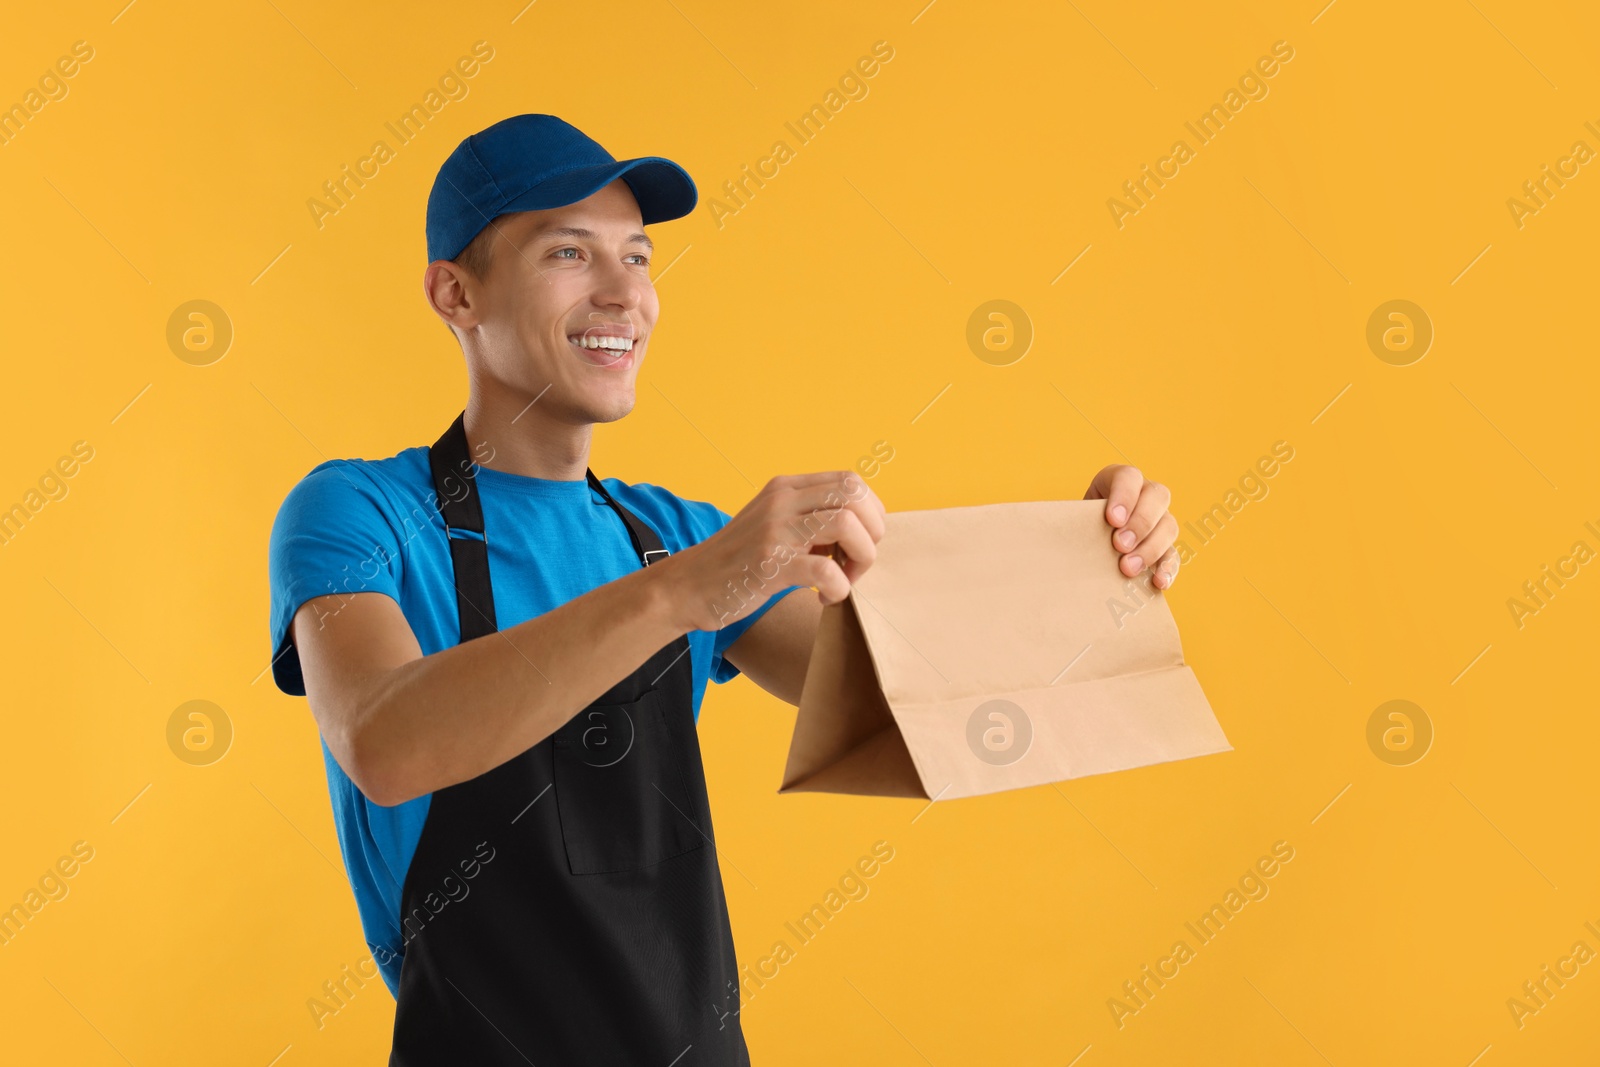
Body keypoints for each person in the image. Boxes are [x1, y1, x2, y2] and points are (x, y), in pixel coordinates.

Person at [266, 113, 1181, 1065]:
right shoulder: (356, 511)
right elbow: (384, 739)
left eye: (640, 257)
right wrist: (681, 594)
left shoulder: (672, 536)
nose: (625, 292)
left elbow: (927, 701)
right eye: (570, 252)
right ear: (455, 293)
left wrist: (1091, 556)